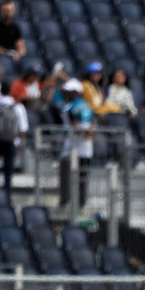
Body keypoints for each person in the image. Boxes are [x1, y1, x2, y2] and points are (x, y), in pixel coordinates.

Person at [59, 79, 94, 209]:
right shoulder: (84, 106)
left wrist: (83, 130)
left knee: (78, 177)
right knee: (72, 176)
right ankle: (72, 202)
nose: (66, 94)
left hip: (76, 146)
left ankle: (74, 203)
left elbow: (84, 127)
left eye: (69, 91)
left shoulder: (75, 107)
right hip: (78, 146)